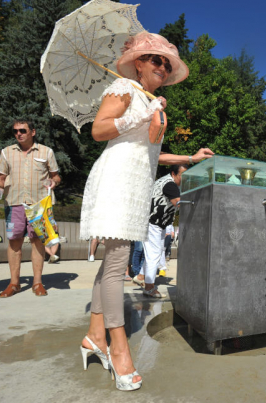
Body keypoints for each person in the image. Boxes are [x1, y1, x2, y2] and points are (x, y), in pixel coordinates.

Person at [78, 31, 213, 391]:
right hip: (117, 180)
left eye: (167, 64)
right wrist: (140, 117)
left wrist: (191, 157)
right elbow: (99, 129)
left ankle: (94, 336)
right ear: (138, 63)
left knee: (111, 263)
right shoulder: (123, 87)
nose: (163, 67)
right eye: (156, 60)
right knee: (118, 264)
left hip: (136, 183)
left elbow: (153, 154)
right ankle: (119, 350)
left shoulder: (148, 98)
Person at [0, 119, 61, 298]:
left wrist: (54, 182)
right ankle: (14, 283)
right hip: (14, 202)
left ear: (33, 132)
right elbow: (0, 178)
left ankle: (37, 282)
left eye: (22, 130)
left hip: (39, 204)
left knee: (38, 241)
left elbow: (56, 176)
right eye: (15, 131)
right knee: (14, 242)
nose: (18, 134)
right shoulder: (7, 152)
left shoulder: (46, 151)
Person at [136, 165, 187, 298]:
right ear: (173, 173)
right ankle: (149, 287)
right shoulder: (170, 185)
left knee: (156, 252)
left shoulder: (165, 181)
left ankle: (141, 276)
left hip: (156, 223)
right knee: (154, 254)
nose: (184, 179)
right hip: (153, 222)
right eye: (182, 175)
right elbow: (178, 203)